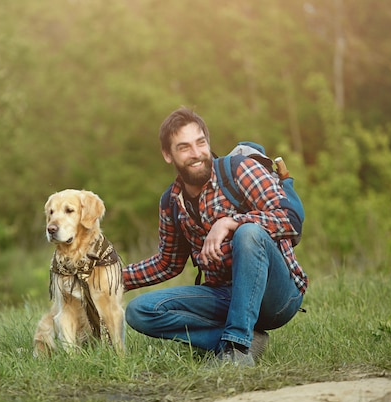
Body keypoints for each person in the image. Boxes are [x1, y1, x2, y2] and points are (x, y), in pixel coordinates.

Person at [122, 107, 308, 367]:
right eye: (184, 147)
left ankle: (236, 351)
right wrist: (111, 278)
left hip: (277, 296)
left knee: (249, 232)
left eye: (201, 143)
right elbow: (168, 263)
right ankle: (241, 339)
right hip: (225, 295)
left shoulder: (239, 170)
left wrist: (231, 222)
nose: (196, 153)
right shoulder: (171, 202)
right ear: (168, 155)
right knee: (139, 311)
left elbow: (291, 218)